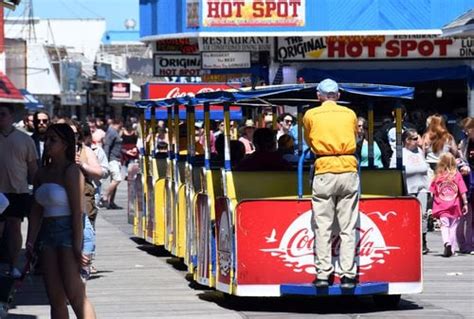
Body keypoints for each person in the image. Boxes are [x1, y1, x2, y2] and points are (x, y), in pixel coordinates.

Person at [25, 123, 96, 318]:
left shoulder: (71, 171)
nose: (47, 143)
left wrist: (77, 245)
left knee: (76, 296)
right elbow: (36, 210)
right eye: (46, 139)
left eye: (53, 140)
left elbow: (77, 211)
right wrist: (30, 241)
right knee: (55, 298)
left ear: (65, 144)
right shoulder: (42, 173)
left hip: (70, 230)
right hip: (47, 234)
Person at [302, 79, 359, 289]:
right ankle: (348, 275)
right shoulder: (350, 114)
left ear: (319, 96)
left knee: (323, 226)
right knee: (347, 226)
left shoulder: (311, 115)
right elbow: (354, 135)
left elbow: (309, 139)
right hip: (348, 168)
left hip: (324, 168)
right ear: (338, 96)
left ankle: (323, 274)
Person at [0, 104, 38, 278]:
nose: (0, 118)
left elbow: (33, 168)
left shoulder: (25, 140)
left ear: (11, 116)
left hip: (18, 191)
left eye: (3, 114)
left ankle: (14, 264)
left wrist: (36, 189)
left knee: (15, 227)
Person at [397, 129, 431, 254]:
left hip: (421, 187)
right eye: (415, 139)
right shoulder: (400, 153)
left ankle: (423, 241)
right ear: (407, 140)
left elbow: (426, 168)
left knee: (423, 215)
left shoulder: (420, 151)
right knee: (409, 216)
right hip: (408, 188)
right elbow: (394, 169)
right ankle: (409, 240)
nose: (419, 141)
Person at [430, 152, 469, 257]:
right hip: (455, 206)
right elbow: (462, 191)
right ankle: (452, 249)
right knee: (453, 228)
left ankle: (446, 242)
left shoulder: (438, 176)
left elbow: (433, 192)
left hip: (441, 206)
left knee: (444, 226)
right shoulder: (457, 175)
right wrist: (465, 203)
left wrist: (431, 205)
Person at [457, 117, 474, 254]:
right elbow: (461, 159)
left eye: (467, 129)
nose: (465, 132)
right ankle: (465, 245)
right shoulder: (464, 142)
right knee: (467, 213)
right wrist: (463, 165)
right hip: (468, 180)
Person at [101, 118, 123, 209]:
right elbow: (107, 146)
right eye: (120, 126)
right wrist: (105, 161)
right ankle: (105, 196)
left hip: (115, 158)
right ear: (117, 124)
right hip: (111, 159)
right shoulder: (112, 132)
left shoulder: (114, 132)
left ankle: (111, 202)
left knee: (114, 180)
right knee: (117, 179)